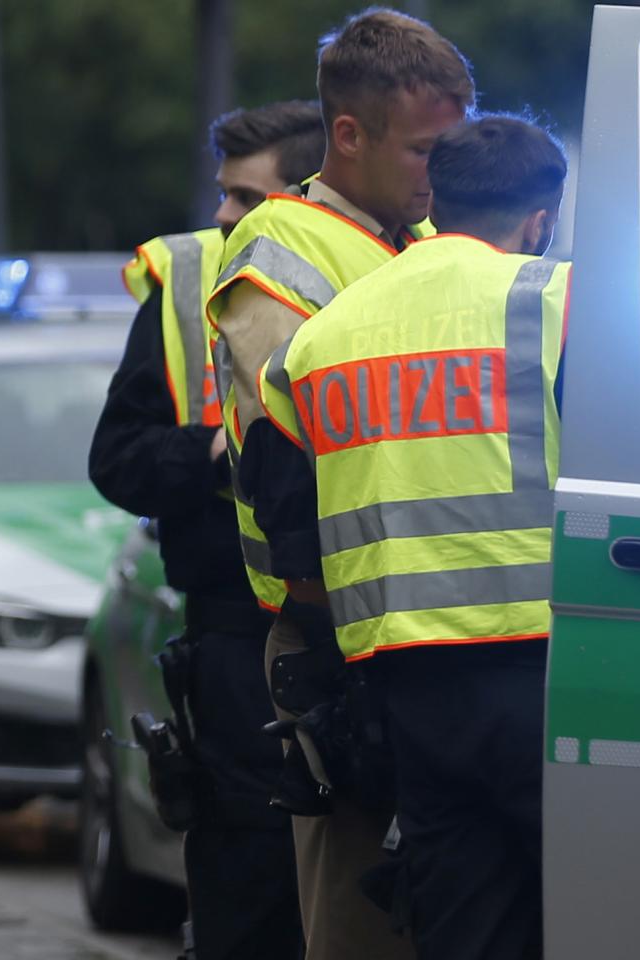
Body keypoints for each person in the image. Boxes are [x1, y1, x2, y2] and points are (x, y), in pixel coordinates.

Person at [250, 114, 567, 960]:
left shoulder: (323, 338)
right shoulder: (562, 306)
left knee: (464, 928)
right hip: (553, 674)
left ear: (439, 200)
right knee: (588, 915)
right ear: (539, 220)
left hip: (406, 689)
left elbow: (279, 506)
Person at [205, 8, 474, 957]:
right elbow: (289, 455)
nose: (439, 173)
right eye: (424, 150)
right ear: (348, 135)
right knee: (360, 931)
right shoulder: (279, 246)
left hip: (430, 634)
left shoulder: (428, 232)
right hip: (335, 634)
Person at [93, 98, 323, 960]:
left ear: (305, 195)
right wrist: (216, 456)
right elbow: (117, 459)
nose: (222, 214)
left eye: (243, 196)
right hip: (232, 643)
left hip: (359, 632)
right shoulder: (187, 280)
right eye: (221, 192)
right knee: (248, 894)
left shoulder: (390, 264)